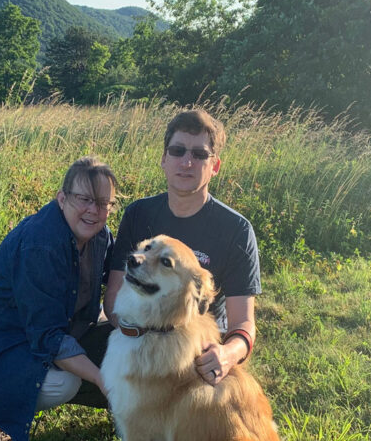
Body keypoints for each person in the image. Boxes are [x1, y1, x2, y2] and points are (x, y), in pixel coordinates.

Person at [0, 157, 119, 441]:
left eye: (104, 203)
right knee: (65, 382)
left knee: (126, 334)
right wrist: (108, 382)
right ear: (61, 198)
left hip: (48, 328)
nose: (94, 210)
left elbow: (122, 279)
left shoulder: (100, 235)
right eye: (84, 199)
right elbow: (48, 336)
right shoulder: (41, 244)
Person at [103, 108, 262, 387]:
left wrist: (227, 354)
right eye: (177, 151)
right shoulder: (138, 214)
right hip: (135, 330)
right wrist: (144, 341)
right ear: (164, 159)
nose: (187, 162)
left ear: (215, 166)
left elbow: (243, 324)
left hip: (196, 349)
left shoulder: (236, 230)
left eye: (199, 154)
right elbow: (114, 298)